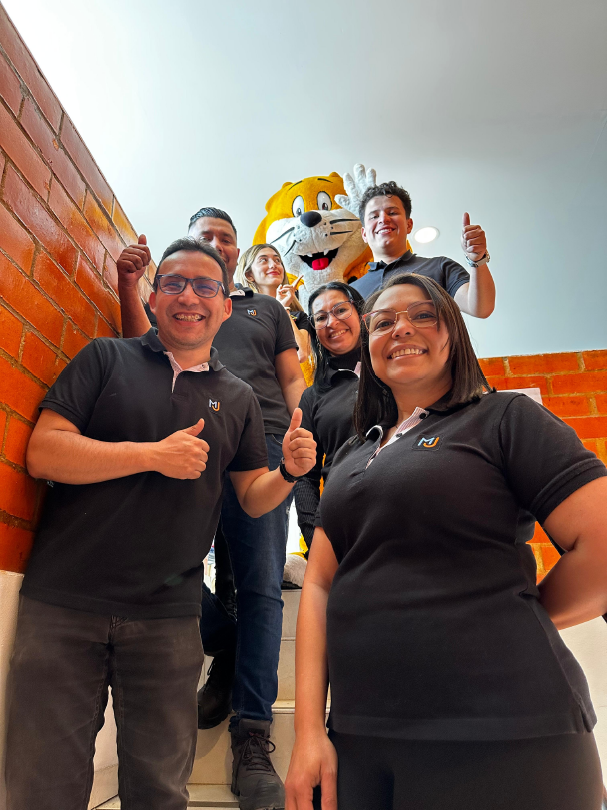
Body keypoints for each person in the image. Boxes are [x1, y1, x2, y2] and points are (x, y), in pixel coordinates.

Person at [5, 238, 316, 810]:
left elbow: (252, 499)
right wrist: (150, 455)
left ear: (225, 306)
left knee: (160, 793)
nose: (188, 296)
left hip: (168, 621)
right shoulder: (105, 357)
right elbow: (44, 453)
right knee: (40, 790)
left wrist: (289, 473)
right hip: (63, 604)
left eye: (205, 286)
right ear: (153, 298)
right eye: (173, 283)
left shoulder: (240, 398)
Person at [285, 273, 606, 810]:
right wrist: (309, 731)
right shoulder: (348, 456)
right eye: (383, 322)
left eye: (423, 315)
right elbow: (318, 585)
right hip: (361, 738)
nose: (401, 328)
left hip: (507, 731)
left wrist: (510, 613)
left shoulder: (505, 418)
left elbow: (600, 545)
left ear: (453, 333)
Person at [117, 208, 307, 810]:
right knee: (161, 560)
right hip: (184, 437)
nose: (217, 245)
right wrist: (129, 287)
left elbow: (290, 378)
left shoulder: (265, 309)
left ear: (236, 255)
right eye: (206, 237)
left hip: (263, 441)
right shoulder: (180, 301)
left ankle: (252, 733)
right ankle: (225, 642)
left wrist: (306, 431)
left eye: (227, 238)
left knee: (258, 585)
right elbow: (138, 349)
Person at [336, 164, 496, 317]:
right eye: (374, 216)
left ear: (409, 225)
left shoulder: (440, 267)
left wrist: (477, 259)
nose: (383, 219)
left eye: (392, 213)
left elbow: (480, 308)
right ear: (364, 234)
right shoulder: (350, 293)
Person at [294, 282, 364, 554]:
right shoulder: (312, 396)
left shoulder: (395, 371)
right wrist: (314, 539)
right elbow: (304, 476)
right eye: (321, 317)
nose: (332, 322)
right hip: (343, 529)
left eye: (341, 310)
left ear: (360, 312)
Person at [234, 243, 311, 363]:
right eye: (263, 260)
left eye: (277, 260)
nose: (273, 265)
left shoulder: (299, 316)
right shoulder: (240, 313)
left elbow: (300, 354)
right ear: (249, 275)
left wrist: (282, 309)